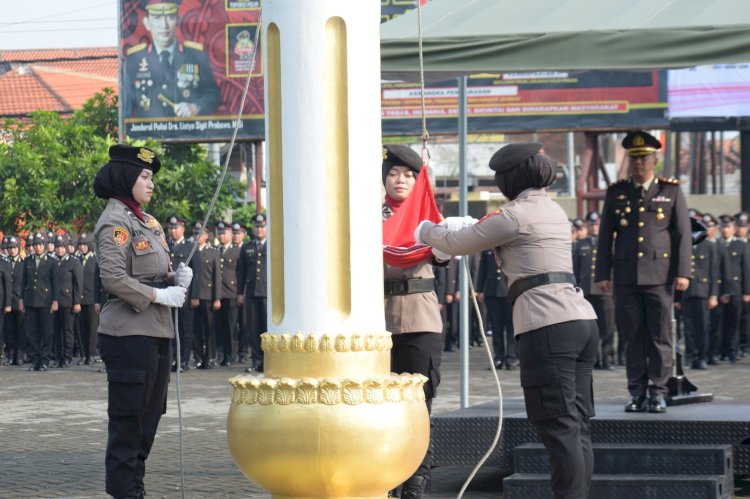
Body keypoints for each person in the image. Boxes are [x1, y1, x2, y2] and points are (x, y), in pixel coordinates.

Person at [416, 142, 598, 499]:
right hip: (580, 320)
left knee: (559, 428)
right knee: (576, 426)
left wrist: (424, 228)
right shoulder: (553, 210)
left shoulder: (515, 215)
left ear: (510, 178)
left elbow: (455, 243)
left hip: (547, 325)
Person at [92, 144, 192, 499]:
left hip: (155, 331)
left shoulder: (145, 221)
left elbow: (151, 271)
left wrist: (174, 280)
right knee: (128, 424)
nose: (151, 184)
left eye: (151, 177)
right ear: (125, 177)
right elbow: (114, 279)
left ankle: (134, 489)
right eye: (145, 176)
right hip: (128, 333)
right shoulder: (116, 221)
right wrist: (158, 295)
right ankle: (126, 492)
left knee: (148, 420)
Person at [594, 131, 692, 414]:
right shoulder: (617, 192)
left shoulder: (670, 191)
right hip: (626, 277)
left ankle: (658, 392)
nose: (638, 164)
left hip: (660, 277)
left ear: (655, 160)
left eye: (644, 158)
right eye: (634, 158)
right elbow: (604, 237)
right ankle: (636, 392)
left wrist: (682, 272)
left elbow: (682, 235)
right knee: (632, 336)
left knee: (660, 337)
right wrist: (603, 273)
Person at [382, 144, 445, 499]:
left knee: (419, 407)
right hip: (378, 323)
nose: (400, 180)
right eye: (393, 174)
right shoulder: (369, 215)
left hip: (420, 320)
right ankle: (387, 478)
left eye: (408, 175)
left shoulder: (425, 215)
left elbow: (441, 254)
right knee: (385, 407)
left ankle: (416, 484)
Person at [124, 0, 221, 118]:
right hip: (148, 135)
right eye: (157, 17)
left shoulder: (196, 55)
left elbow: (214, 95)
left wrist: (196, 107)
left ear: (178, 21)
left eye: (170, 17)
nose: (164, 25)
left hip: (187, 133)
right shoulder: (134, 60)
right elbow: (126, 109)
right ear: (147, 23)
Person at [573, 211, 615, 370]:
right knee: (590, 329)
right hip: (586, 292)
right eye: (591, 224)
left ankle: (607, 358)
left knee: (608, 328)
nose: (595, 227)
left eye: (597, 224)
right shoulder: (580, 245)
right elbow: (575, 269)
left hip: (605, 291)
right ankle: (593, 358)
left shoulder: (608, 243)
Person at [681, 211, 720, 370]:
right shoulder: (684, 245)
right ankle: (690, 356)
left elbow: (714, 272)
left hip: (703, 292)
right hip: (686, 291)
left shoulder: (709, 245)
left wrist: (714, 294)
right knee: (688, 327)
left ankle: (702, 356)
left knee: (703, 326)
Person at [19, 231, 59, 371]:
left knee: (47, 332)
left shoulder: (52, 261)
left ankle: (45, 360)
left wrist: (55, 301)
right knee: (32, 332)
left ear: (45, 245)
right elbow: (23, 282)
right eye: (35, 244)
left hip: (46, 301)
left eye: (40, 244)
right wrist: (21, 300)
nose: (37, 247)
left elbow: (55, 283)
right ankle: (35, 360)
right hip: (30, 300)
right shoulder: (27, 261)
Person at [476, 248, 516, 370]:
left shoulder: (511, 248)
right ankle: (498, 357)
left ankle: (511, 357)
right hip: (492, 292)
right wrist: (480, 290)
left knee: (511, 327)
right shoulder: (487, 250)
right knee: (496, 328)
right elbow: (482, 271)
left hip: (509, 291)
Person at [237, 214, 268, 373]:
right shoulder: (247, 247)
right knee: (253, 328)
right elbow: (241, 272)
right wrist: (240, 293)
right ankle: (257, 360)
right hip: (251, 293)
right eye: (257, 226)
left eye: (262, 226)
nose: (259, 229)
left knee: (266, 327)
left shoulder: (272, 246)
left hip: (267, 294)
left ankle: (268, 360)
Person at [167, 216, 196, 371]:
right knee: (171, 328)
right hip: (170, 293)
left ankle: (183, 360)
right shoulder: (166, 245)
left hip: (185, 295)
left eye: (176, 227)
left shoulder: (190, 246)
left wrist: (195, 296)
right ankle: (172, 359)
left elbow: (197, 273)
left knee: (185, 329)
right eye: (171, 227)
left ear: (183, 229)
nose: (173, 230)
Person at [191, 222, 221, 369]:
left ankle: (209, 357)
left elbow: (217, 277)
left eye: (201, 233)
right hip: (193, 296)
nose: (198, 236)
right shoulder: (190, 251)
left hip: (208, 295)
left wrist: (217, 298)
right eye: (196, 233)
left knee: (209, 328)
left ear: (206, 235)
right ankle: (197, 357)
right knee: (195, 328)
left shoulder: (213, 252)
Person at [53, 234, 83, 368]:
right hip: (54, 303)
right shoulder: (53, 262)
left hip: (68, 302)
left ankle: (67, 357)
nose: (59, 250)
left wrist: (76, 302)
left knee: (68, 331)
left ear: (66, 247)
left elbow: (78, 284)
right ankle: (58, 357)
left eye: (62, 247)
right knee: (56, 331)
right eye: (57, 247)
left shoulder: (73, 262)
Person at [78, 232, 103, 365]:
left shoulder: (95, 260)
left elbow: (97, 281)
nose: (82, 247)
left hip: (91, 299)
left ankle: (92, 353)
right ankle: (84, 354)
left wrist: (97, 300)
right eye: (80, 245)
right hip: (79, 300)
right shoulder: (77, 260)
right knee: (81, 329)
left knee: (92, 329)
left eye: (84, 245)